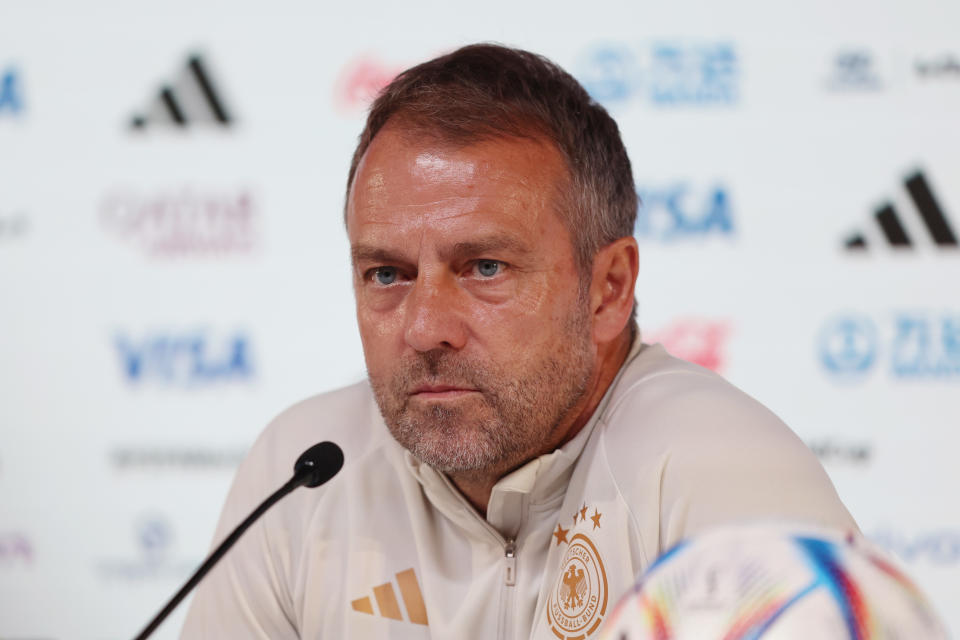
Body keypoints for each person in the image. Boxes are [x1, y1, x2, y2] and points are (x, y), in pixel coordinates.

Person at [181, 43, 856, 639]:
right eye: (386, 274)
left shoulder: (726, 480)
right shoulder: (299, 473)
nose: (424, 330)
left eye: (485, 268)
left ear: (608, 288)